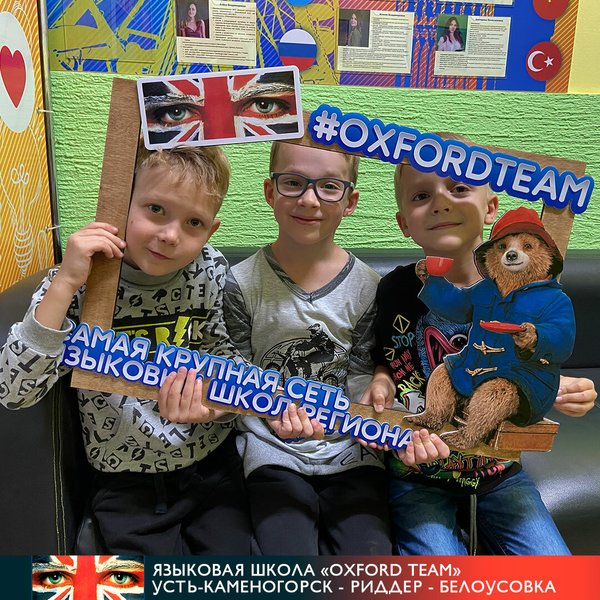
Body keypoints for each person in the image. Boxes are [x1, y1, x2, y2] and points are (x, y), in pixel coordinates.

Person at [0, 142, 252, 555]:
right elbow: (14, 391)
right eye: (156, 209)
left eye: (193, 222)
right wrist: (65, 283)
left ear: (210, 231)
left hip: (213, 468)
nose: (170, 235)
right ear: (120, 203)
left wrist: (216, 406)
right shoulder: (79, 282)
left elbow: (227, 359)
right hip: (127, 482)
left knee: (241, 578)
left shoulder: (209, 270)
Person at [362, 132, 597, 555]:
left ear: (490, 207)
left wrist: (561, 388)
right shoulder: (394, 290)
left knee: (557, 572)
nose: (440, 201)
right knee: (439, 571)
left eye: (458, 188)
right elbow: (385, 357)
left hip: (499, 472)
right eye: (421, 195)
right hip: (417, 473)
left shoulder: (532, 294)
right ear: (404, 223)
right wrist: (380, 380)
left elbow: (551, 351)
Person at [223, 141, 447, 555]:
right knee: (286, 561)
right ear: (270, 191)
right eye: (293, 182)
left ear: (350, 201)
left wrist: (375, 401)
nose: (309, 199)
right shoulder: (239, 282)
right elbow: (233, 368)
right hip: (272, 452)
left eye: (329, 186)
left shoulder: (369, 286)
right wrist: (270, 410)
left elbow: (362, 369)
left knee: (368, 563)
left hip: (352, 453)